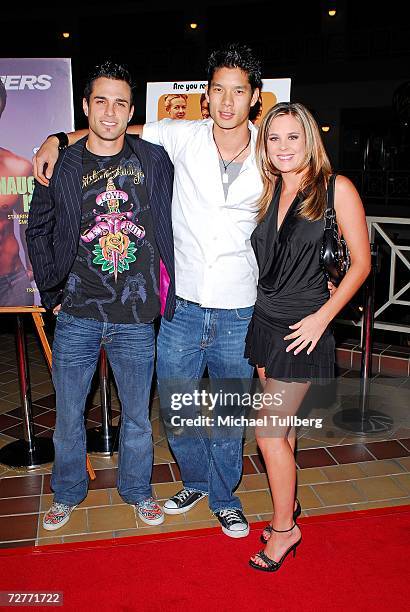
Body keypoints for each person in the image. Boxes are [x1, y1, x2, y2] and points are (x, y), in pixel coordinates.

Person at [33, 43, 263, 538]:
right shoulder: (156, 144)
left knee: (186, 416)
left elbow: (300, 204)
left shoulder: (259, 152)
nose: (226, 101)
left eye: (237, 91)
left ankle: (190, 494)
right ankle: (79, 492)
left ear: (254, 98)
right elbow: (43, 224)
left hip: (190, 311)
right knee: (111, 411)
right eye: (218, 90)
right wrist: (53, 138)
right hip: (122, 310)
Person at [26, 61, 175, 531]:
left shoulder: (153, 159)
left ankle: (137, 490)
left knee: (136, 417)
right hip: (76, 313)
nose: (110, 112)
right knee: (68, 415)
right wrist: (52, 291)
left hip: (135, 313)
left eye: (121, 103)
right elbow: (40, 227)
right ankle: (67, 493)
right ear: (86, 106)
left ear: (131, 110)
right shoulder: (61, 163)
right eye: (101, 101)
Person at [244, 102, 370, 571]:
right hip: (266, 323)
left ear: (310, 140)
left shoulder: (336, 188)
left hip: (303, 329)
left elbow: (361, 265)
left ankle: (284, 530)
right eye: (273, 138)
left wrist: (323, 317)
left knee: (268, 431)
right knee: (286, 431)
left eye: (292, 137)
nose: (282, 147)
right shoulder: (271, 188)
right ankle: (287, 505)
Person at [0, 79, 34, 306]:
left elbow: (27, 225)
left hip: (13, 280)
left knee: (26, 342)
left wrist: (33, 268)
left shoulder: (19, 168)